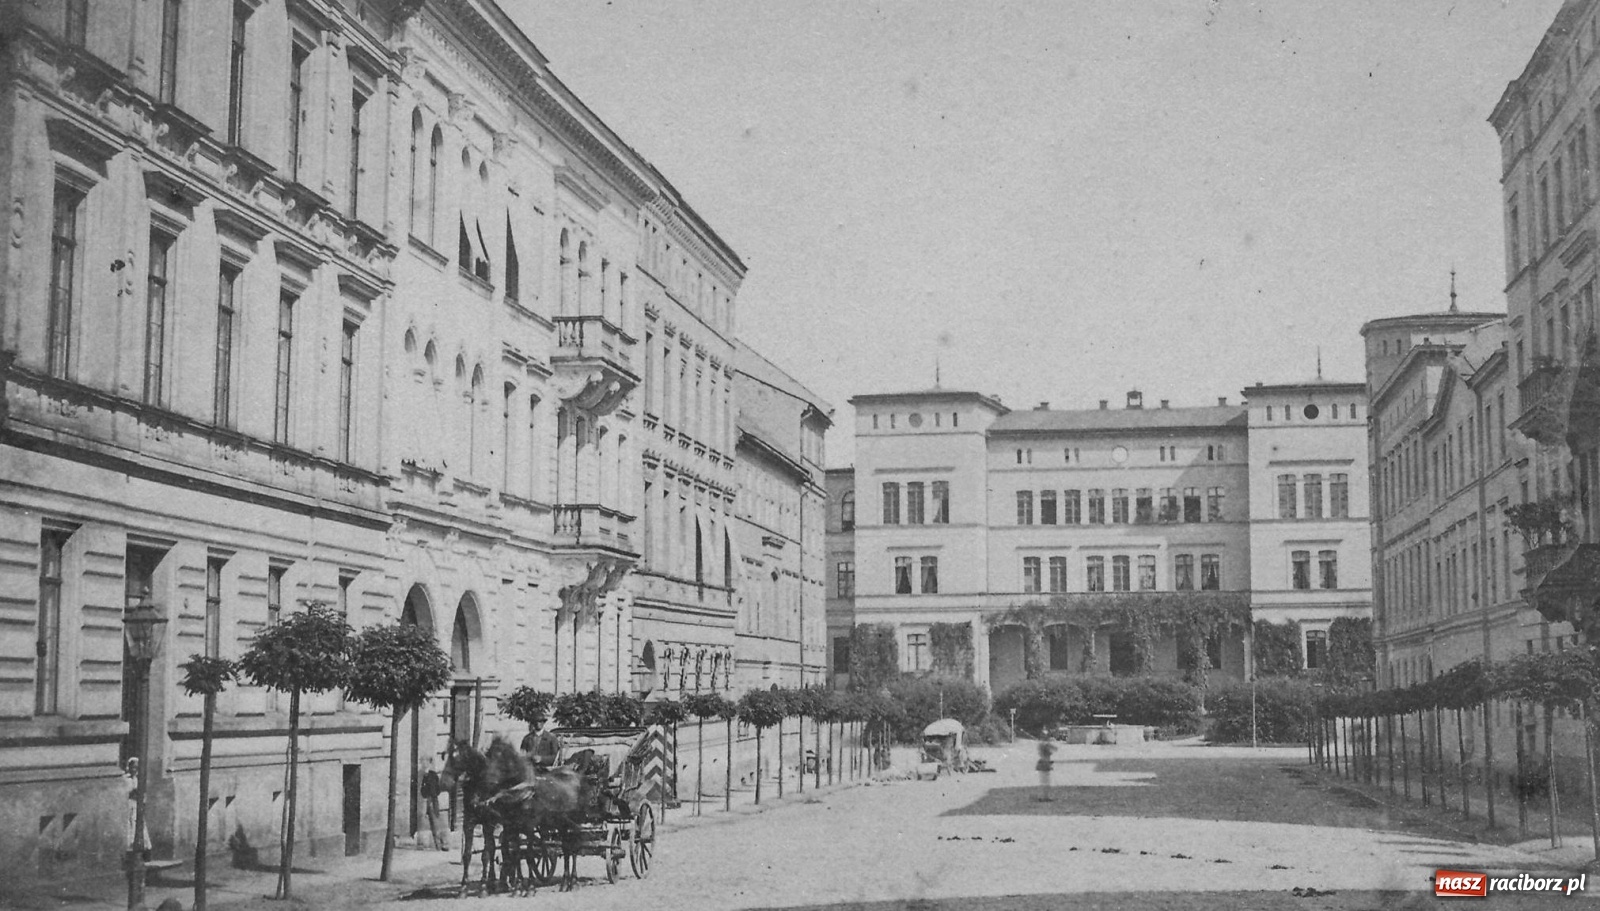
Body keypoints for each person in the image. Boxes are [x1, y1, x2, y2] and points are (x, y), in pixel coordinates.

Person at [419, 760, 448, 851]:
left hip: (432, 800)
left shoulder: (430, 775)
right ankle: (439, 844)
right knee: (434, 822)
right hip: (431, 799)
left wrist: (431, 796)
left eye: (424, 762)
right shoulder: (427, 775)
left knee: (435, 822)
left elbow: (436, 788)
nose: (423, 764)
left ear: (429, 763)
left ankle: (440, 844)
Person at [1035, 736, 1057, 802]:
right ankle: (1044, 797)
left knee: (1043, 782)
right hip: (1044, 765)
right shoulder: (1044, 746)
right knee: (1046, 782)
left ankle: (1042, 796)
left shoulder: (1041, 745)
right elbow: (1055, 749)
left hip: (1043, 764)